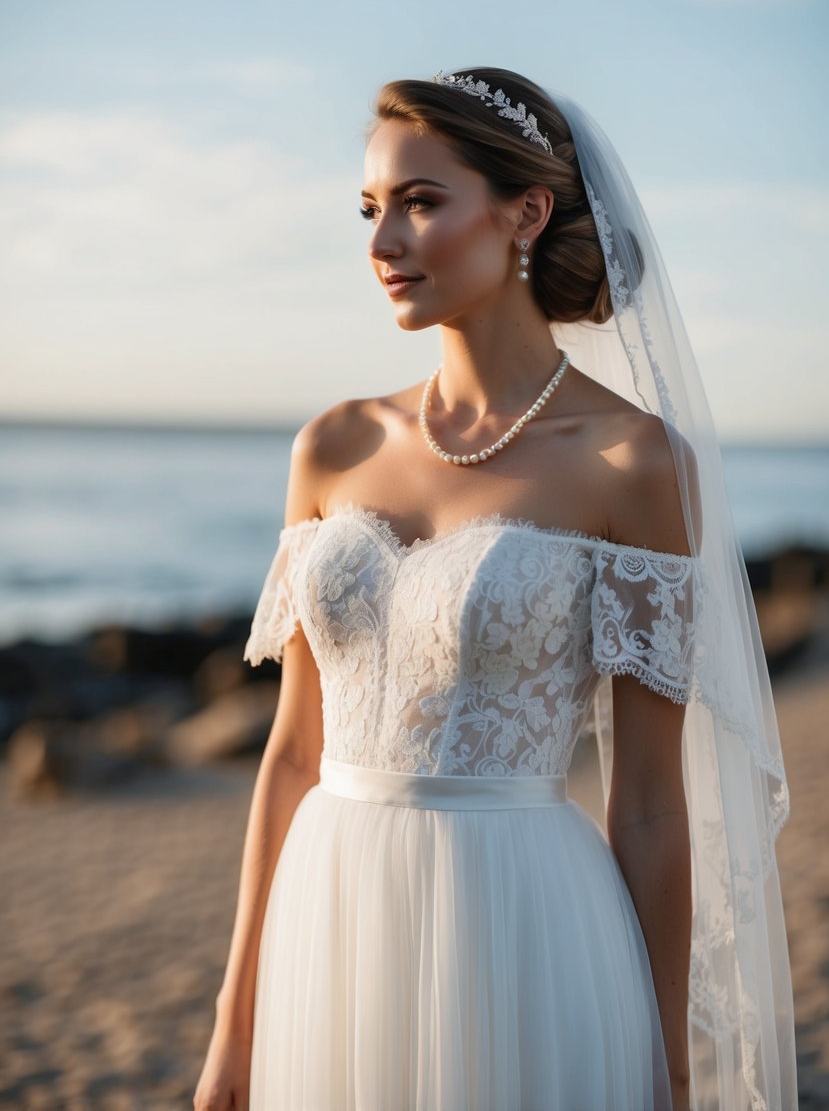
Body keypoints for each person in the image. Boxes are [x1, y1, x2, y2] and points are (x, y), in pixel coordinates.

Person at [193, 68, 797, 1111]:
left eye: (421, 202)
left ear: (526, 212)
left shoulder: (630, 461)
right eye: (372, 209)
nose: (382, 243)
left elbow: (650, 804)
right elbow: (291, 755)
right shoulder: (333, 443)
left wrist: (670, 1066)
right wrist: (233, 1030)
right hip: (327, 918)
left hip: (522, 919)